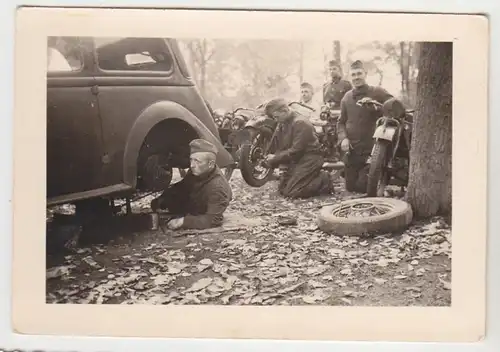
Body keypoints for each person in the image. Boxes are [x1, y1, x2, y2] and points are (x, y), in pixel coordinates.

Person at [337, 60, 394, 193]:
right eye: (353, 75)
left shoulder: (377, 92)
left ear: (365, 74)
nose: (356, 77)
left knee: (363, 187)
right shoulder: (347, 97)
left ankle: (380, 178)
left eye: (359, 74)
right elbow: (341, 122)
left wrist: (377, 108)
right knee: (350, 187)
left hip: (373, 151)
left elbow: (395, 107)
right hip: (353, 151)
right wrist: (343, 138)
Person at [150, 139, 233, 230]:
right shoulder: (200, 171)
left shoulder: (217, 188)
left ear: (211, 164)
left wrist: (183, 222)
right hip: (192, 202)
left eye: (197, 161)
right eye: (191, 160)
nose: (192, 165)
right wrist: (162, 200)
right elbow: (182, 186)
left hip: (199, 210)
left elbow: (213, 219)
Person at [262, 98, 336, 199]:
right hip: (297, 159)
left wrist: (275, 158)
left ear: (285, 111)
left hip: (310, 158)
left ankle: (324, 179)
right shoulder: (283, 121)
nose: (275, 120)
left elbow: (296, 151)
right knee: (282, 190)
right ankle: (309, 179)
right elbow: (277, 143)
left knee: (292, 192)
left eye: (276, 117)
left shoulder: (300, 123)